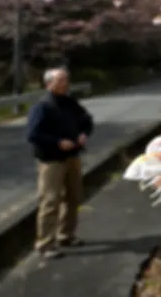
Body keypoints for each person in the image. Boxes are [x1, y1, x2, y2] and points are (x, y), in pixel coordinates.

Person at [26, 67, 94, 259]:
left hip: (73, 156)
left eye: (66, 79)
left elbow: (87, 121)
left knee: (73, 197)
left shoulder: (70, 103)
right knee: (50, 200)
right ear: (49, 84)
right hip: (51, 160)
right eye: (61, 80)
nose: (65, 83)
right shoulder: (42, 106)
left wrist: (83, 135)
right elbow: (33, 134)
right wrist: (57, 142)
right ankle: (45, 243)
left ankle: (66, 235)